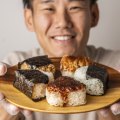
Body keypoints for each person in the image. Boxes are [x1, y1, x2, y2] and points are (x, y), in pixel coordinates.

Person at [0, 0, 120, 120]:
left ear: (94, 14)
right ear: (29, 19)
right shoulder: (11, 68)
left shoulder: (116, 67)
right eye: (49, 9)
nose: (62, 22)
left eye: (74, 7)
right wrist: (8, 112)